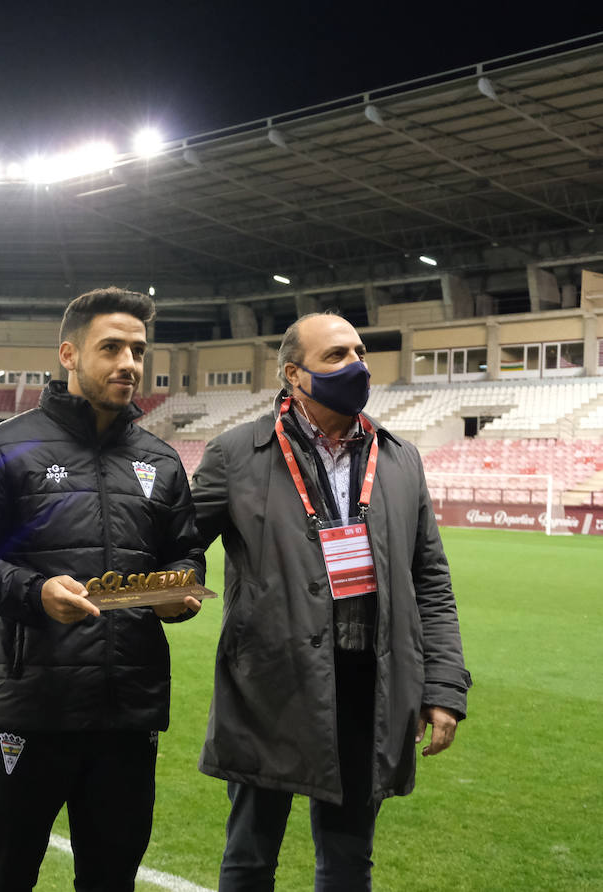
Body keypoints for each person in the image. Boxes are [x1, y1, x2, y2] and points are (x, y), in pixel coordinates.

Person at [190, 311, 471, 891]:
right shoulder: (236, 454)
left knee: (348, 862)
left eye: (360, 351)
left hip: (370, 685)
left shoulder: (399, 458)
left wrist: (442, 687)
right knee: (250, 856)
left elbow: (431, 583)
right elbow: (179, 547)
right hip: (268, 685)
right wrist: (174, 587)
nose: (357, 365)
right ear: (294, 374)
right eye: (337, 356)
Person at [0, 287, 206, 892]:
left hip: (130, 709)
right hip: (33, 704)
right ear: (69, 354)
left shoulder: (161, 459)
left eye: (138, 350)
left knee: (111, 878)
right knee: (7, 876)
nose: (129, 363)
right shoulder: (2, 447)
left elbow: (185, 553)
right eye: (111, 347)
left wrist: (182, 591)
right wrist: (33, 593)